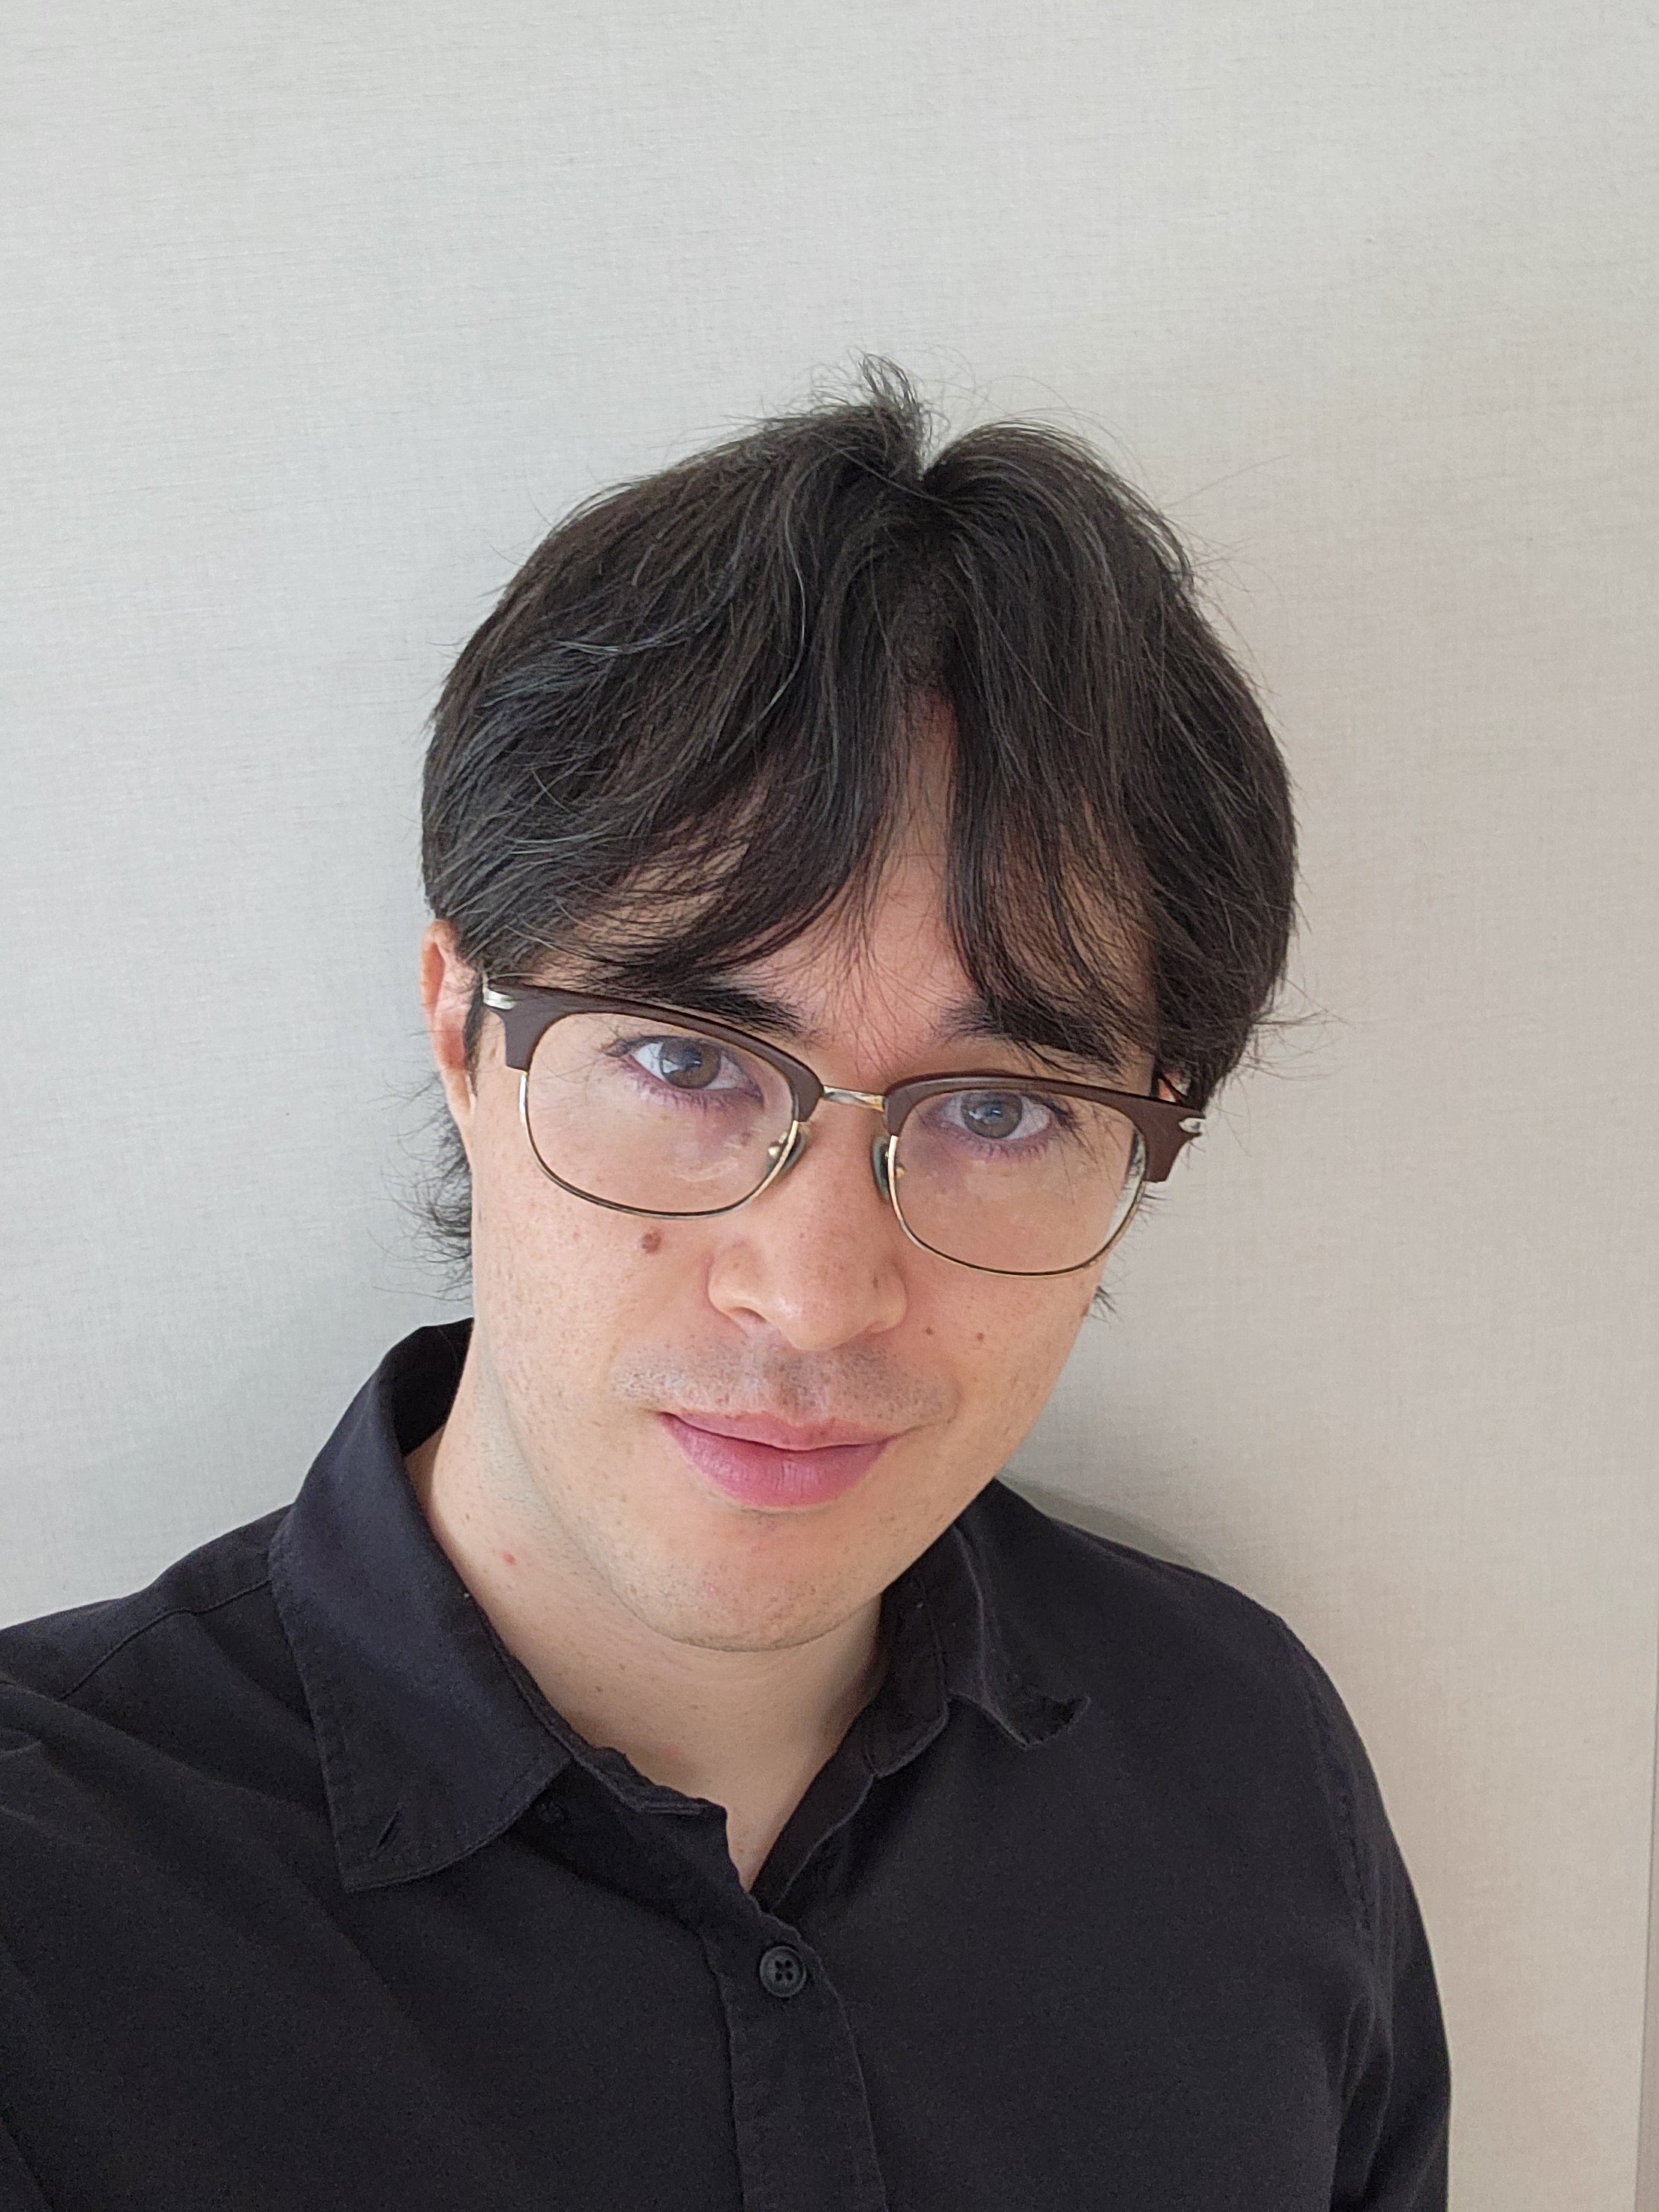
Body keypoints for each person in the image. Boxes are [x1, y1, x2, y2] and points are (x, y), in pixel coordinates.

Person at [0, 367, 1449, 2210]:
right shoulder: (52, 1914)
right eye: (686, 1060)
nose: (817, 1293)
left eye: (999, 1106)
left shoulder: (1249, 1769)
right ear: (462, 1027)